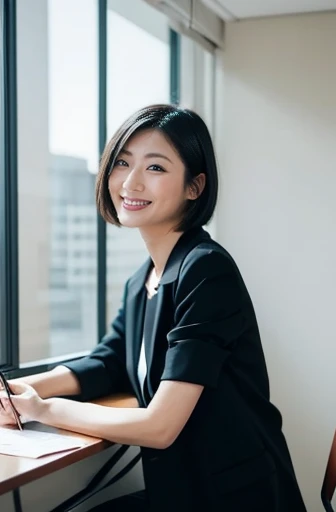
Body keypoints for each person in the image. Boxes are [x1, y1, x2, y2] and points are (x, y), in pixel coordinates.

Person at [0, 104, 306, 512]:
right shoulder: (142, 279)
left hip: (234, 495)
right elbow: (109, 362)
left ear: (194, 187)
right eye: (122, 162)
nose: (130, 181)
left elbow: (160, 427)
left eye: (156, 168)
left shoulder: (206, 269)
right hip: (182, 489)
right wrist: (27, 387)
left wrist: (44, 408)